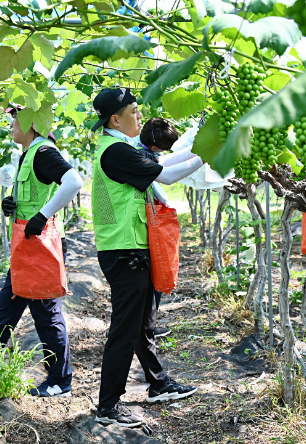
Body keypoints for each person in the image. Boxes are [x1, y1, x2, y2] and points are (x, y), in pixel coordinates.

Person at [90, 88, 204, 427]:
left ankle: (157, 384)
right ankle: (108, 406)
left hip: (126, 248)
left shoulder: (118, 149)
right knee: (125, 329)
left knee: (138, 324)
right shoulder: (116, 152)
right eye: (135, 111)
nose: (140, 117)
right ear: (116, 118)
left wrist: (199, 151)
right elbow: (165, 175)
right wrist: (209, 155)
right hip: (124, 251)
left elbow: (161, 163)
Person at [0, 104, 82, 398]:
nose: (11, 126)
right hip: (27, 245)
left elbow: (74, 182)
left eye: (15, 120)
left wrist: (42, 215)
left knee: (46, 313)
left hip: (38, 245)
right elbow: (38, 193)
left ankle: (61, 381)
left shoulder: (44, 152)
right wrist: (14, 205)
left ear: (32, 122)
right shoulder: (30, 153)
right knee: (8, 304)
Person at [138, 118, 181, 338]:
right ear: (155, 147)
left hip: (145, 222)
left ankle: (147, 327)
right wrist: (202, 158)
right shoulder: (141, 157)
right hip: (147, 223)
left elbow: (168, 161)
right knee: (158, 269)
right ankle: (147, 329)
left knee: (156, 273)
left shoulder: (142, 149)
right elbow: (165, 177)